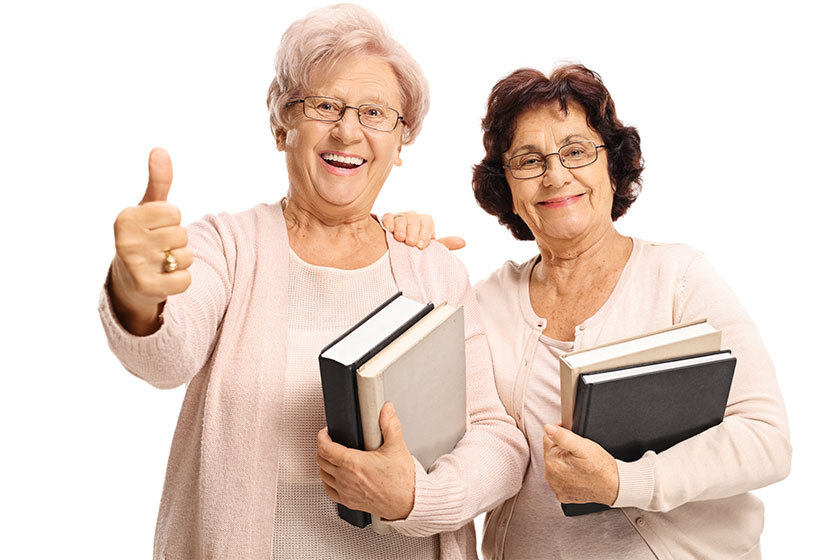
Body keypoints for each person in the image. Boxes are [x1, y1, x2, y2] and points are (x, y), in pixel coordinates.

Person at [98, 5, 527, 559]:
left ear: (400, 145)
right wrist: (137, 291)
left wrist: (417, 496)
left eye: (376, 113)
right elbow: (166, 356)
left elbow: (496, 438)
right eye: (326, 105)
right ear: (283, 127)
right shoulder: (228, 247)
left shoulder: (432, 270)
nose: (348, 130)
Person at [384, 63, 791, 559]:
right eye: (529, 161)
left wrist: (625, 482)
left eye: (576, 151)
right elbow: (423, 418)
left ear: (613, 166)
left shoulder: (679, 278)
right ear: (507, 187)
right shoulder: (484, 301)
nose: (556, 176)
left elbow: (766, 440)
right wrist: (404, 258)